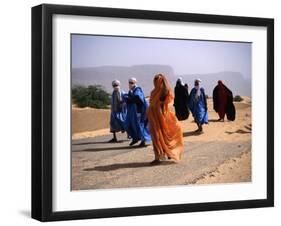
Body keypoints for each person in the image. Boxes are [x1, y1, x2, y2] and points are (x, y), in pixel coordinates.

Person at [147, 74, 184, 164]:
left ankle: (168, 153)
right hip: (154, 118)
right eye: (154, 80)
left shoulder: (165, 92)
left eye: (157, 80)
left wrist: (159, 107)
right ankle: (157, 157)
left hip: (162, 118)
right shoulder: (153, 92)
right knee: (155, 137)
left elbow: (168, 103)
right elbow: (152, 104)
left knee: (164, 137)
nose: (155, 82)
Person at [123, 77, 151, 147]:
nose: (130, 84)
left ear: (135, 83)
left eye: (132, 83)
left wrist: (128, 99)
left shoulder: (137, 90)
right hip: (132, 113)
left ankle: (143, 141)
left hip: (139, 112)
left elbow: (138, 99)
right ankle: (135, 138)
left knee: (140, 126)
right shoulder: (131, 91)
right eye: (129, 83)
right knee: (128, 125)